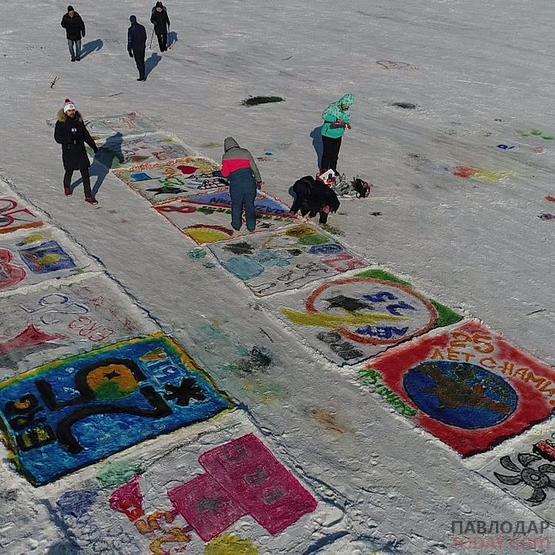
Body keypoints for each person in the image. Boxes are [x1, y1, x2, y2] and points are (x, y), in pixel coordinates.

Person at [54, 99, 99, 204]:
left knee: (85, 173)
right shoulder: (61, 122)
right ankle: (66, 186)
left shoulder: (78, 121)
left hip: (80, 150)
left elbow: (85, 135)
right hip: (69, 151)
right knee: (69, 170)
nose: (72, 112)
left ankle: (88, 196)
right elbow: (57, 138)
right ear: (65, 111)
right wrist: (68, 140)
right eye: (69, 110)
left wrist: (93, 146)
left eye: (73, 110)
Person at [221, 137, 262, 232]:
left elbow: (225, 173)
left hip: (236, 184)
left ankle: (236, 225)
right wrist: (258, 180)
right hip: (249, 182)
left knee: (236, 205)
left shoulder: (226, 156)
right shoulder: (245, 152)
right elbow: (254, 168)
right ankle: (251, 226)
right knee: (250, 205)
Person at [320, 94, 356, 172]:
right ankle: (324, 170)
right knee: (327, 153)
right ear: (343, 102)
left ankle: (333, 169)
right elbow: (324, 115)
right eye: (346, 105)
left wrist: (347, 124)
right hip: (328, 134)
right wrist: (335, 119)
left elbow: (347, 119)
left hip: (338, 135)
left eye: (348, 106)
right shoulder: (333, 107)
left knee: (335, 155)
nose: (347, 107)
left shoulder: (347, 111)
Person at [128, 15, 147, 81]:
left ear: (130, 21)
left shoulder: (130, 29)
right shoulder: (142, 27)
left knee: (138, 62)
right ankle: (143, 75)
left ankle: (142, 77)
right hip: (142, 47)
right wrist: (143, 44)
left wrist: (129, 50)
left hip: (136, 48)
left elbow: (130, 40)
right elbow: (145, 37)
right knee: (142, 61)